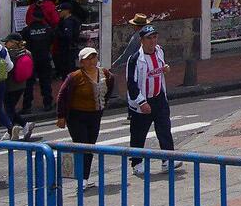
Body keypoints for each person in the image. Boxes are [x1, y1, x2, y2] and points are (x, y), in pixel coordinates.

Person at [57, 47, 114, 192]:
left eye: (93, 57)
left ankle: (85, 178)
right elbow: (62, 96)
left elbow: (108, 91)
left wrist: (102, 106)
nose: (91, 61)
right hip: (76, 116)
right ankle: (81, 179)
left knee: (90, 147)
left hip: (95, 116)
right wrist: (61, 116)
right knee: (82, 146)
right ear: (81, 62)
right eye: (87, 59)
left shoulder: (105, 74)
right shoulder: (75, 77)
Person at [126, 25, 177, 175]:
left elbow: (160, 69)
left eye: (155, 37)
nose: (153, 41)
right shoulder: (135, 59)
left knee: (164, 130)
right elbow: (131, 83)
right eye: (149, 38)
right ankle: (136, 163)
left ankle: (168, 159)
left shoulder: (160, 51)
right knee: (138, 133)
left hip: (159, 98)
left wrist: (165, 69)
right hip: (143, 101)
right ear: (142, 40)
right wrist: (142, 102)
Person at [19, 10, 56, 112]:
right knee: (46, 82)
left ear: (33, 17)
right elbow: (52, 41)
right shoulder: (48, 29)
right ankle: (48, 104)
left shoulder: (27, 30)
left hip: (30, 59)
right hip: (44, 58)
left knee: (29, 83)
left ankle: (27, 106)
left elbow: (22, 44)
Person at [3, 35, 34, 140]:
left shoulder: (9, 54)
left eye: (7, 41)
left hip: (10, 85)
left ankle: (10, 131)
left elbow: (8, 68)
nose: (5, 44)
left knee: (8, 109)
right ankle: (24, 126)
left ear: (13, 42)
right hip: (21, 84)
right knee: (10, 108)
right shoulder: (27, 52)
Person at [113, 14, 151, 99]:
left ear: (136, 26)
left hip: (138, 64)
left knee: (136, 83)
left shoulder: (136, 37)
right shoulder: (149, 35)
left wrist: (116, 63)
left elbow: (127, 54)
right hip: (148, 62)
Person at [54, 2, 81, 79]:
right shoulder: (72, 20)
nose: (59, 12)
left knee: (67, 70)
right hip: (70, 48)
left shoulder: (68, 22)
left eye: (61, 10)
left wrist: (57, 32)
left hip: (67, 49)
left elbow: (67, 36)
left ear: (67, 11)